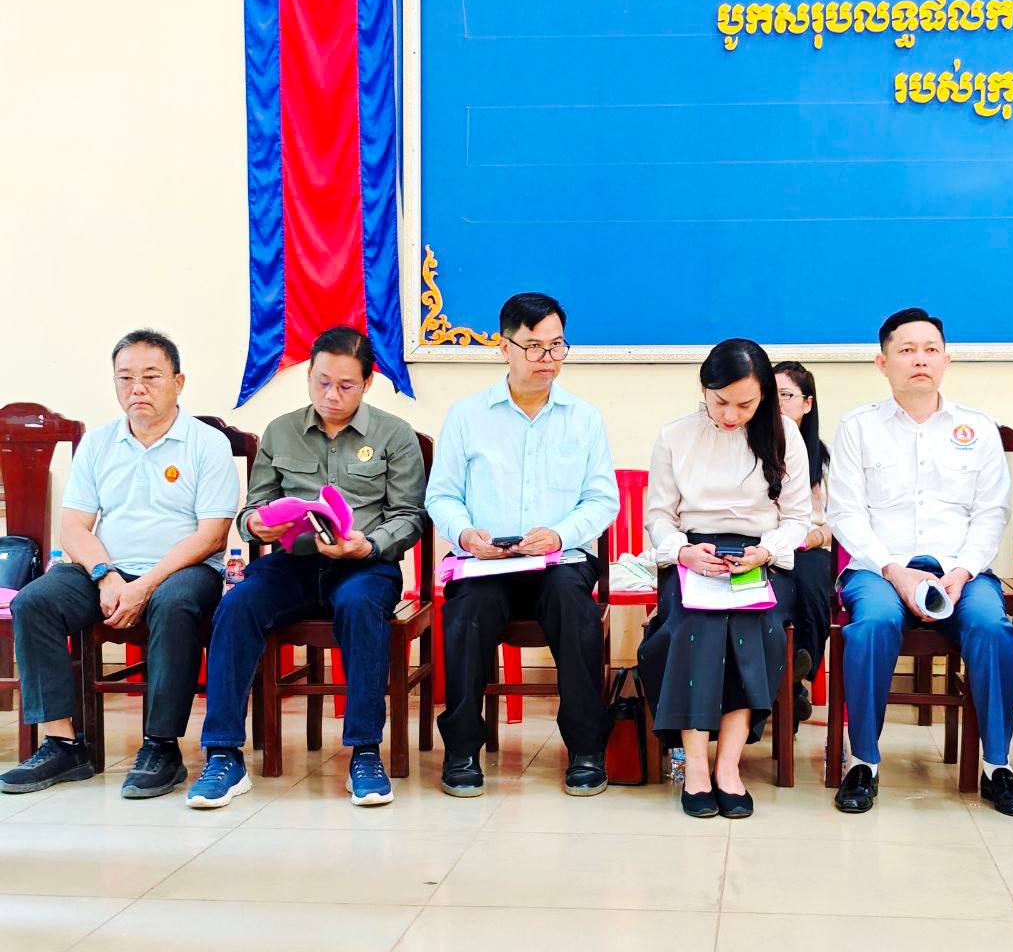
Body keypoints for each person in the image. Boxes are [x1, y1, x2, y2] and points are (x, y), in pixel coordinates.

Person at [187, 326, 425, 809]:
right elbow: (252, 511)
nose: (331, 395)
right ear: (309, 376)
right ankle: (223, 754)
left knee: (360, 607)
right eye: (321, 382)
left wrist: (368, 544)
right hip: (293, 563)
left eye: (346, 385)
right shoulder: (281, 431)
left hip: (364, 566)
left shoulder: (394, 434)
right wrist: (258, 524)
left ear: (368, 383)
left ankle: (364, 752)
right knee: (237, 606)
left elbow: (409, 516)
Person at [0, 330, 238, 799]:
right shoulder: (99, 443)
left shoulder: (207, 444)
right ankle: (63, 744)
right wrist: (106, 576)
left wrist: (144, 584)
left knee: (173, 604)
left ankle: (161, 747)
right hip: (106, 570)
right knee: (35, 602)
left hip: (183, 571)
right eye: (125, 378)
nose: (137, 388)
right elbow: (74, 528)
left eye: (151, 377)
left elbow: (211, 534)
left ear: (178, 382)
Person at [827, 309, 1013, 817]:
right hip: (880, 569)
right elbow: (846, 513)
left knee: (994, 628)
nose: (920, 359)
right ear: (882, 363)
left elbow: (991, 513)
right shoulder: (858, 427)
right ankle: (863, 762)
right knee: (871, 626)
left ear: (946, 359)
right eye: (906, 350)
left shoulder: (977, 428)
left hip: (961, 570)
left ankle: (997, 767)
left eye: (931, 349)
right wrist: (894, 571)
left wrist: (961, 573)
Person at [425, 293, 619, 798]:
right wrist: (466, 535)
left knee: (573, 607)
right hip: (485, 561)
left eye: (556, 346)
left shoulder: (584, 418)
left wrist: (560, 534)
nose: (547, 358)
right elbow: (441, 496)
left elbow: (603, 500)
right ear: (504, 347)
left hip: (560, 559)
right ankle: (462, 750)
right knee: (468, 613)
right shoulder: (468, 416)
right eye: (534, 347)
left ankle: (586, 749)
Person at [638, 339, 810, 819]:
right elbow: (659, 516)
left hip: (761, 556)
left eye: (745, 405)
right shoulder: (675, 436)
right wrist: (684, 553)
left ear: (764, 397)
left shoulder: (784, 435)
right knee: (697, 624)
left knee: (753, 625)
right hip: (694, 555)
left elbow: (798, 518)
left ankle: (728, 766)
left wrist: (765, 552)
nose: (731, 415)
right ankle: (696, 765)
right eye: (720, 402)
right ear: (704, 389)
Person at [774, 361, 832, 726]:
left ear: (807, 403)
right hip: (767, 547)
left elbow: (841, 520)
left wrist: (814, 537)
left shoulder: (823, 458)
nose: (777, 403)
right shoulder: (754, 446)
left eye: (786, 395)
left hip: (809, 548)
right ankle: (789, 688)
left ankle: (798, 673)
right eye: (771, 394)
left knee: (809, 581)